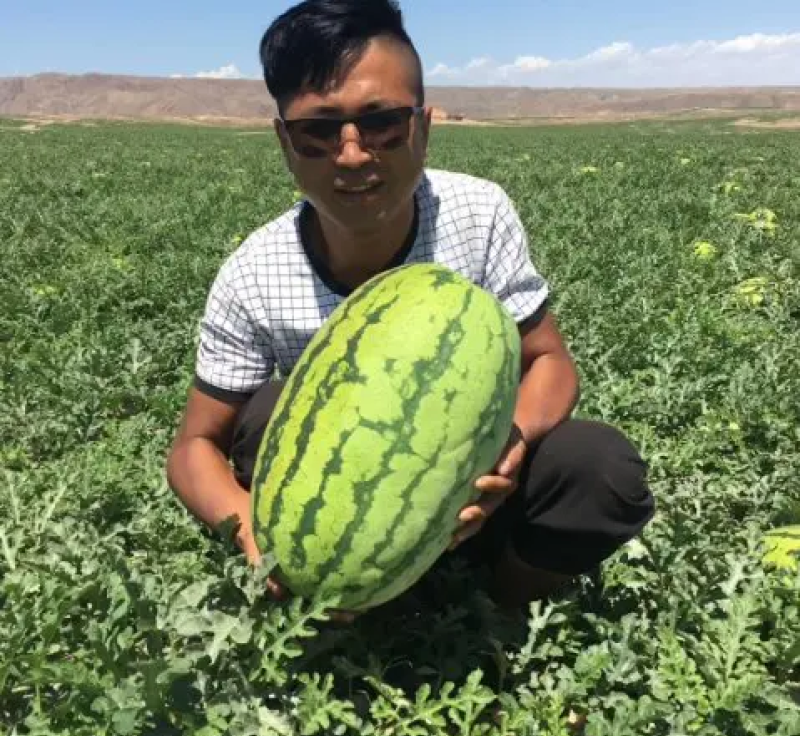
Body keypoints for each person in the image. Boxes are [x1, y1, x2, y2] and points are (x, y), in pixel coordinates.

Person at [165, 0, 656, 619]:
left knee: (597, 467)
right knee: (261, 413)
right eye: (319, 130)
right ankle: (354, 609)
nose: (351, 155)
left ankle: (493, 613)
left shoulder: (478, 215)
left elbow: (550, 360)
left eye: (382, 125)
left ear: (423, 126)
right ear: (285, 142)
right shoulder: (252, 274)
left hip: (474, 498)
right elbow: (193, 448)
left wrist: (511, 448)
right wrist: (250, 534)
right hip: (342, 526)